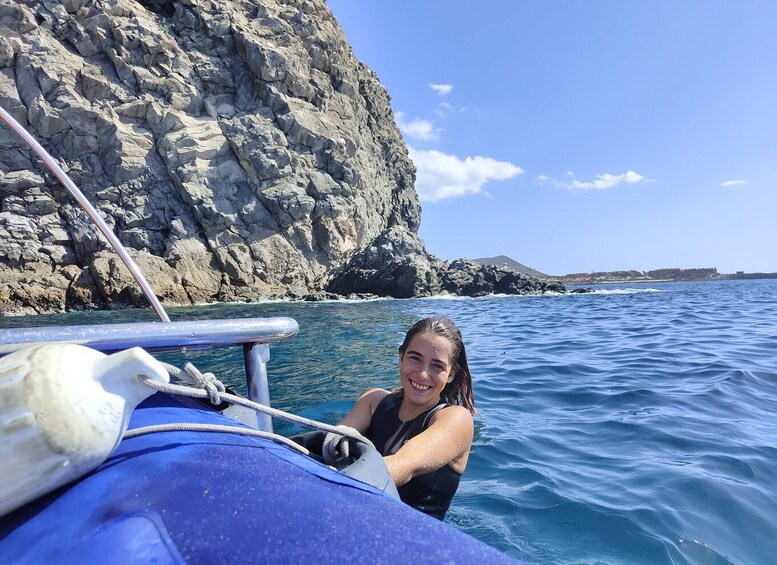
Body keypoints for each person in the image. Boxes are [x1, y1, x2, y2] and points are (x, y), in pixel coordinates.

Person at [337, 316, 476, 520]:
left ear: (451, 373)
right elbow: (330, 441)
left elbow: (404, 464)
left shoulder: (456, 420)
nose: (422, 374)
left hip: (412, 538)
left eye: (437, 365)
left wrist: (335, 479)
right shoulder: (373, 400)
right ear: (401, 357)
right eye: (415, 358)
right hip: (356, 513)